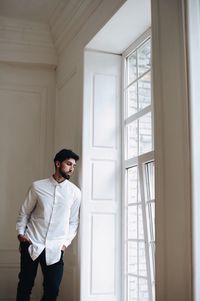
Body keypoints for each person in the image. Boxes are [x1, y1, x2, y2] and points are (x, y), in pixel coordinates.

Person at [16, 149, 81, 301]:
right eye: (68, 164)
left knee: (52, 290)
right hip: (31, 242)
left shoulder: (75, 193)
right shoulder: (37, 186)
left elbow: (73, 222)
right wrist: (21, 234)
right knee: (25, 286)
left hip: (56, 248)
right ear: (58, 164)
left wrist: (65, 243)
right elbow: (24, 212)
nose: (72, 168)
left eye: (74, 165)